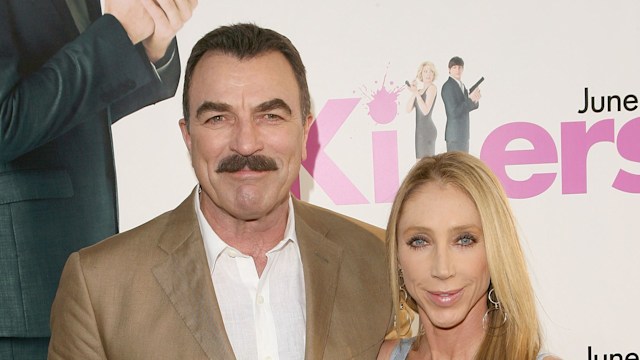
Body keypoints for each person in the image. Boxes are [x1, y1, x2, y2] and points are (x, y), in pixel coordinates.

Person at [48, 23, 392, 359]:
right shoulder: (100, 286)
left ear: (305, 133)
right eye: (218, 118)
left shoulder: (378, 262)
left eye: (270, 116)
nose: (245, 143)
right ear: (188, 137)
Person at [0, 0, 196, 358]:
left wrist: (150, 46)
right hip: (21, 300)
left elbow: (74, 111)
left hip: (80, 286)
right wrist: (118, 34)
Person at [378, 152, 559, 359]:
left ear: (496, 252)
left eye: (464, 240)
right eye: (420, 241)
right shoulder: (381, 355)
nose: (442, 270)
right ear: (398, 257)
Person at [441, 56, 481, 153]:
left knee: (462, 166)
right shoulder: (448, 86)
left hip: (463, 134)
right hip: (454, 135)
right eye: (454, 67)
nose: (457, 70)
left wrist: (475, 100)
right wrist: (470, 99)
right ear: (449, 70)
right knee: (455, 165)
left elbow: (466, 107)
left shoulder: (461, 85)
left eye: (460, 67)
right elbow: (453, 112)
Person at [406, 61, 439, 159]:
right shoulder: (419, 91)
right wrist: (414, 91)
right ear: (421, 74)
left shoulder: (432, 88)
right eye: (425, 71)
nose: (428, 74)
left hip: (427, 131)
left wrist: (416, 93)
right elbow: (408, 109)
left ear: (433, 74)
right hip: (419, 132)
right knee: (419, 165)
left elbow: (425, 111)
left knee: (426, 165)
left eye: (430, 72)